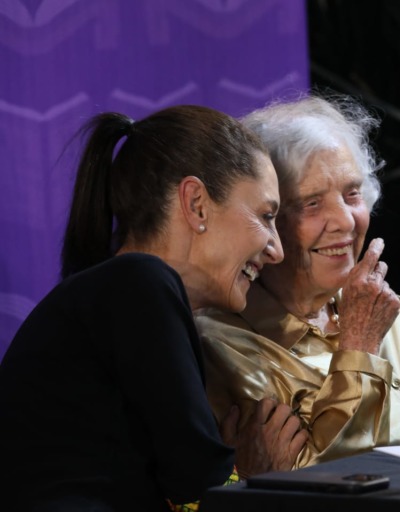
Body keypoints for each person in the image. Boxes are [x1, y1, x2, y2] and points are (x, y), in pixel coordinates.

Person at [0, 105, 309, 511]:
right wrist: (248, 477)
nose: (277, 250)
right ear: (196, 203)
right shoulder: (140, 281)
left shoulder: (124, 291)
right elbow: (196, 487)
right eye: (266, 216)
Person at [195, 94, 400, 468]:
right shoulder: (222, 347)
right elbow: (325, 483)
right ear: (264, 221)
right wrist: (359, 347)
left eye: (352, 194)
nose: (346, 221)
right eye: (311, 203)